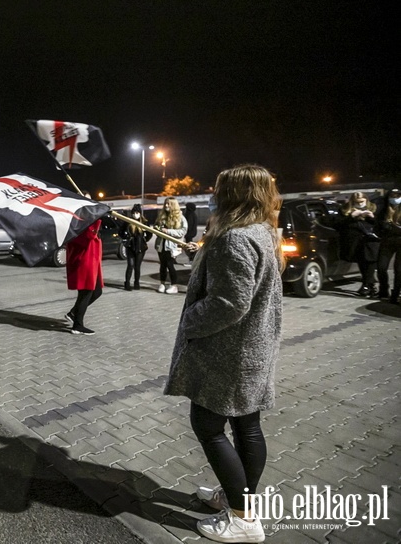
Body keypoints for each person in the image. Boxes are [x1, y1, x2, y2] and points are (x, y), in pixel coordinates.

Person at [164, 165, 283, 543]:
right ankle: (239, 497)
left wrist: (190, 321)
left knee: (208, 425)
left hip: (229, 354)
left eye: (218, 190)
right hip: (252, 349)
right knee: (247, 425)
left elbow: (229, 303)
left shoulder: (235, 240)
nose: (212, 195)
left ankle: (243, 519)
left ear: (232, 195)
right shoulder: (262, 232)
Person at [64, 219, 103, 335]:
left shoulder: (84, 220)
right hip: (85, 261)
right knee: (86, 292)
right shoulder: (79, 222)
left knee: (97, 291)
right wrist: (97, 219)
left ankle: (73, 314)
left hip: (91, 260)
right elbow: (90, 235)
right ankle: (77, 325)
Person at [339, 192, 379, 297]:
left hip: (371, 240)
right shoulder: (346, 209)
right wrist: (351, 217)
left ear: (366, 199)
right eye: (357, 202)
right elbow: (339, 224)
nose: (360, 204)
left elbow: (381, 224)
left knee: (370, 262)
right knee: (362, 263)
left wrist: (371, 217)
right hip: (356, 241)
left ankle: (366, 285)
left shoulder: (374, 208)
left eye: (362, 201)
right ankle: (371, 286)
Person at [154, 196, 188, 293]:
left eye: (168, 203)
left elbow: (182, 231)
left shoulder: (180, 218)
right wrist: (157, 229)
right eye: (165, 203)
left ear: (173, 205)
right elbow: (156, 227)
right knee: (162, 265)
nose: (166, 205)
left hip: (172, 246)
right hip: (161, 245)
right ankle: (162, 283)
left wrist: (168, 231)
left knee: (170, 264)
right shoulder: (161, 216)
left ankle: (174, 285)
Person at [375, 187, 401, 303]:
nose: (395, 199)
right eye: (392, 197)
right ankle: (384, 290)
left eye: (397, 197)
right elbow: (377, 226)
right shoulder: (384, 211)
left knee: (399, 270)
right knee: (381, 267)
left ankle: (395, 294)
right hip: (387, 241)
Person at [120, 204, 152, 291]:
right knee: (130, 265)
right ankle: (127, 283)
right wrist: (125, 237)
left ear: (140, 213)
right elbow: (121, 231)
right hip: (130, 246)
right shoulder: (128, 221)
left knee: (137, 266)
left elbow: (150, 233)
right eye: (134, 212)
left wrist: (145, 239)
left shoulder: (144, 222)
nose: (135, 214)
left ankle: (136, 283)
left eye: (137, 212)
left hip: (141, 247)